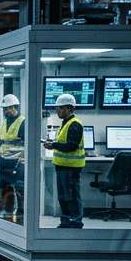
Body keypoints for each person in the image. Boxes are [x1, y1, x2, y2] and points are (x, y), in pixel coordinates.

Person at [43, 93, 85, 228]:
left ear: (69, 108)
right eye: (57, 108)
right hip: (62, 167)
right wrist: (53, 143)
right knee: (63, 197)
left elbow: (72, 145)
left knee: (72, 197)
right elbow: (64, 143)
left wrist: (53, 145)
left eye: (60, 108)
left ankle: (76, 222)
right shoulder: (65, 124)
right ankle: (66, 221)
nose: (57, 110)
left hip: (71, 169)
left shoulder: (74, 124)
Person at [0, 93, 25, 217]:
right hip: (4, 160)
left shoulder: (22, 122)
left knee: (19, 187)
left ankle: (21, 210)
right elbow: (1, 140)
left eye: (9, 108)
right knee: (5, 187)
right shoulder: (3, 123)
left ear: (16, 107)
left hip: (17, 160)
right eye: (5, 108)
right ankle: (7, 210)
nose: (7, 110)